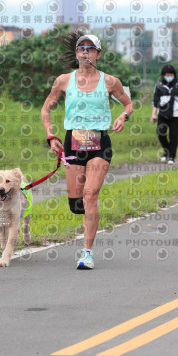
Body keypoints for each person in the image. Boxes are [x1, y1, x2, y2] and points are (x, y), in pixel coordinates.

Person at [41, 31, 133, 270]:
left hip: (99, 143)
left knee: (91, 195)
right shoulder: (63, 80)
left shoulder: (110, 81)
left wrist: (123, 116)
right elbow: (45, 109)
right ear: (76, 53)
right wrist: (51, 136)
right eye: (81, 48)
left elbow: (128, 103)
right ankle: (83, 209)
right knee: (77, 203)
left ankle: (87, 253)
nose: (85, 52)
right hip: (73, 143)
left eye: (90, 49)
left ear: (98, 54)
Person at [151, 64, 178, 165]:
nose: (169, 76)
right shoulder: (158, 85)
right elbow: (155, 101)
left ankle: (172, 156)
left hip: (176, 114)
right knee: (161, 134)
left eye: (171, 74)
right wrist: (153, 114)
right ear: (163, 75)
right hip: (162, 113)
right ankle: (167, 151)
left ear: (174, 75)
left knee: (173, 136)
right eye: (167, 74)